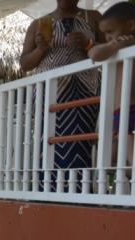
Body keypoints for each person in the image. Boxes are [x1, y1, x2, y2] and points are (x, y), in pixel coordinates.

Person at [21, 1, 102, 174]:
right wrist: (40, 49)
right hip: (48, 92)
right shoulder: (39, 23)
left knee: (81, 140)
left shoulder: (93, 17)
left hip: (85, 89)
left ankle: (80, 189)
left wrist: (88, 44)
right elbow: (25, 64)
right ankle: (47, 187)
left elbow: (110, 50)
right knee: (48, 140)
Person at [89, 2, 135, 155]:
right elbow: (94, 53)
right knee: (117, 150)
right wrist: (117, 46)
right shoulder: (117, 47)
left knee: (125, 146)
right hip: (120, 109)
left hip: (127, 108)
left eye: (110, 31)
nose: (107, 37)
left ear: (130, 25)